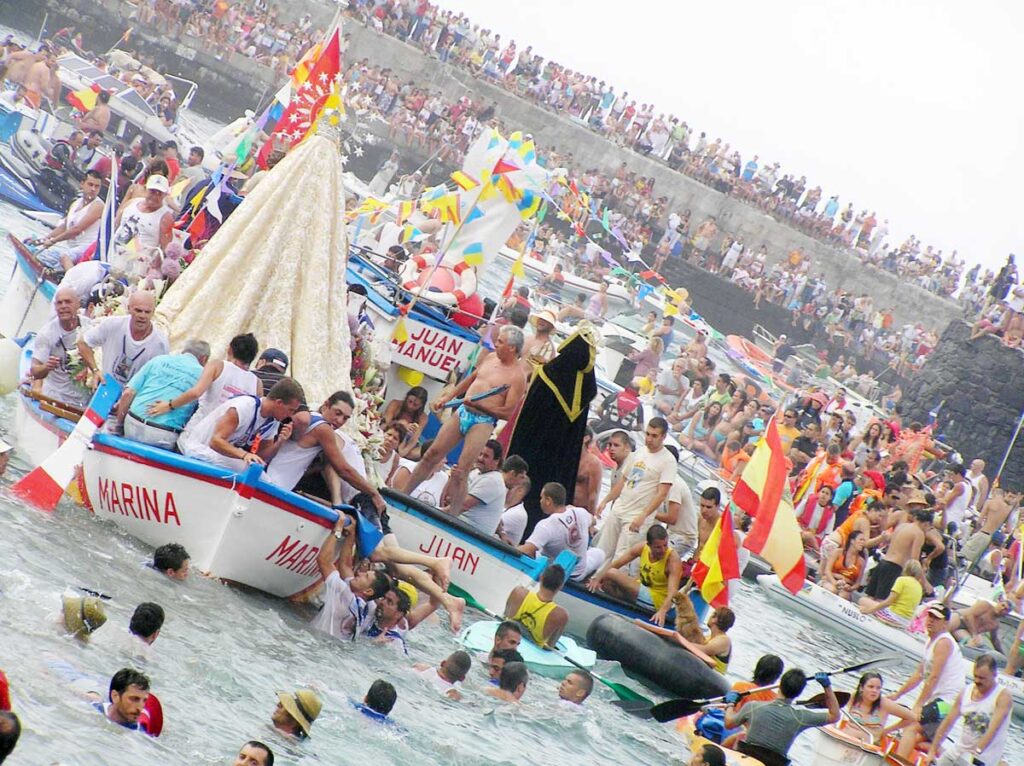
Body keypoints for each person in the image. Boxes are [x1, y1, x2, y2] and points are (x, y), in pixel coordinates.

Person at [399, 325, 527, 516]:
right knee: (431, 454)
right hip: (463, 411)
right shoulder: (491, 358)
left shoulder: (518, 377)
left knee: (461, 471)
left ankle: (453, 515)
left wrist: (481, 405)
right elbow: (470, 379)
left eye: (500, 341)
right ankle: (402, 495)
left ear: (511, 348)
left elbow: (507, 413)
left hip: (483, 420)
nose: (496, 344)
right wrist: (448, 398)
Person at [265, 391, 386, 514]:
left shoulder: (311, 418)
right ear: (326, 405)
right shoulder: (324, 429)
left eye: (345, 418)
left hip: (273, 481)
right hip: (273, 486)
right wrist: (374, 493)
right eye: (337, 413)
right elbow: (344, 470)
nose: (339, 421)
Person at [889, 603, 967, 760]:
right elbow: (919, 674)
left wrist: (918, 705)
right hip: (941, 701)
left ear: (945, 623)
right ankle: (936, 751)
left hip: (948, 703)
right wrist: (897, 695)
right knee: (914, 736)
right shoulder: (930, 641)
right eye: (930, 616)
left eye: (936, 618)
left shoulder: (944, 642)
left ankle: (897, 762)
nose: (931, 620)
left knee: (910, 726)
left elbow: (933, 677)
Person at [146, 334, 261, 440]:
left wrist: (169, 405)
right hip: (224, 443)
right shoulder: (257, 384)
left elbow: (196, 393)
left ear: (230, 349)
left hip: (196, 434)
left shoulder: (218, 366)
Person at [594, 417, 676, 560]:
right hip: (620, 507)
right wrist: (605, 501)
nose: (649, 439)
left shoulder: (668, 460)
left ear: (663, 437)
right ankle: (591, 578)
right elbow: (624, 481)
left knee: (622, 555)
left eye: (654, 436)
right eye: (648, 434)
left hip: (637, 515)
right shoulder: (639, 452)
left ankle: (608, 581)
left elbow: (662, 494)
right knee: (602, 549)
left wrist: (643, 516)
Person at [177, 378, 303, 471]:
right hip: (198, 448)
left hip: (217, 455)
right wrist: (244, 454)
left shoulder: (274, 420)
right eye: (291, 410)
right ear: (279, 403)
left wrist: (279, 442)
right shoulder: (243, 407)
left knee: (257, 470)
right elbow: (215, 442)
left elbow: (260, 456)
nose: (290, 416)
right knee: (250, 471)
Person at [724, 668, 840, 766]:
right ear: (799, 693)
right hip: (774, 763)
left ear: (780, 685)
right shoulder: (801, 718)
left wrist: (730, 704)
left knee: (738, 737)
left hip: (744, 760)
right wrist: (827, 686)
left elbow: (728, 723)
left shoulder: (753, 706)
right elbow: (835, 716)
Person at [114, 340, 211, 447]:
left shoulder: (159, 360)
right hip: (164, 433)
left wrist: (119, 425)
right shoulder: (203, 375)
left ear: (184, 351)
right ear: (204, 358)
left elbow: (128, 393)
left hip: (133, 422)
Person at [312, 515, 391, 641]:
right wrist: (351, 535)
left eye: (365, 576)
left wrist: (337, 529)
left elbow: (323, 561)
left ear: (368, 591)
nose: (359, 573)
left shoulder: (346, 594)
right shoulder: (368, 607)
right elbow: (346, 566)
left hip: (315, 641)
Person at [588, 525, 684, 626]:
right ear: (649, 545)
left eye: (665, 545)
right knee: (607, 583)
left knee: (611, 573)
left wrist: (663, 611)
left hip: (657, 600)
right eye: (658, 547)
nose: (663, 550)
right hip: (641, 588)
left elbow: (673, 592)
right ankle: (618, 612)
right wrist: (597, 579)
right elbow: (617, 563)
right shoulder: (642, 547)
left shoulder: (673, 559)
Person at [926, 654, 1012, 766]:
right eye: (975, 676)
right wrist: (932, 750)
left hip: (982, 758)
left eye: (982, 678)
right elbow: (948, 721)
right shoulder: (966, 691)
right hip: (958, 751)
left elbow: (993, 730)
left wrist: (976, 752)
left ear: (994, 674)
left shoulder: (1003, 696)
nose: (977, 681)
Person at [78, 291, 168, 387]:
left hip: (134, 397)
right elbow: (83, 343)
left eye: (147, 312)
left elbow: (158, 380)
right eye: (138, 310)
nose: (142, 316)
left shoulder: (160, 344)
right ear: (129, 308)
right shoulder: (113, 324)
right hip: (106, 389)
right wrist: (95, 370)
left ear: (153, 312)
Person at [518, 482, 603, 581]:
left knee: (535, 551)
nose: (540, 501)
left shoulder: (546, 525)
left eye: (542, 498)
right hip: (577, 574)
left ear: (548, 500)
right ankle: (587, 581)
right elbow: (594, 520)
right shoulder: (581, 512)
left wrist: (510, 548)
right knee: (599, 553)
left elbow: (528, 550)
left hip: (554, 574)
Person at [29, 169, 103, 269]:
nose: (93, 189)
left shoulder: (98, 206)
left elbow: (77, 230)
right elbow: (64, 227)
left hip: (88, 249)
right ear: (82, 184)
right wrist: (43, 240)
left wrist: (53, 241)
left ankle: (69, 282)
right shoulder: (76, 202)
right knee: (42, 257)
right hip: (74, 248)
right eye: (90, 184)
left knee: (64, 257)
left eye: (97, 186)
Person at [449, 440, 528, 534]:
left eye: (485, 456)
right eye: (480, 454)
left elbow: (462, 506)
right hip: (461, 527)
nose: (480, 458)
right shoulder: (476, 473)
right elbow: (450, 498)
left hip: (469, 535)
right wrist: (454, 478)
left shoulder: (492, 481)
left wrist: (438, 513)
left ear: (496, 461)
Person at [30, 287, 90, 408]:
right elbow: (34, 371)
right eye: (59, 303)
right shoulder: (46, 334)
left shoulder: (90, 326)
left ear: (78, 304)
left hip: (85, 401)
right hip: (55, 398)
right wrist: (46, 367)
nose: (63, 306)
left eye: (68, 302)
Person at [504, 564, 570, 648]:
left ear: (541, 577)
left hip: (507, 636)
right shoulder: (561, 615)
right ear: (561, 586)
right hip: (530, 649)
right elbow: (550, 646)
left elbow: (504, 618)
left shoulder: (518, 592)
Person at [842, 672, 915, 744]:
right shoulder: (853, 697)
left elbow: (911, 718)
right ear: (861, 687)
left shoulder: (885, 704)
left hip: (867, 745)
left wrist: (886, 731)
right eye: (870, 687)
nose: (875, 691)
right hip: (844, 738)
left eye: (878, 688)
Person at [112, 174, 174, 255]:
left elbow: (165, 249)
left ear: (165, 195)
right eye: (152, 191)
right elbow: (115, 225)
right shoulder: (132, 203)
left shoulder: (165, 217)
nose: (155, 196)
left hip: (139, 263)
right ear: (145, 189)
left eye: (159, 193)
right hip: (113, 254)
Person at [858, 560, 924, 627]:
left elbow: (888, 602)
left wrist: (870, 610)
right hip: (905, 621)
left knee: (862, 600)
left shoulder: (902, 580)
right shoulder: (919, 587)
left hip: (894, 617)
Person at [91, 668, 150, 733]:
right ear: (115, 696)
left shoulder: (140, 734)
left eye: (144, 700)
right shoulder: (90, 709)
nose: (140, 708)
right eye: (134, 699)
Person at [382, 386, 429, 457]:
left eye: (415, 405)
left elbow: (416, 437)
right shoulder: (395, 404)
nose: (410, 406)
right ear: (406, 397)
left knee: (422, 452)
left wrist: (403, 452)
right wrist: (402, 425)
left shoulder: (423, 417)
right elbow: (386, 423)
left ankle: (401, 454)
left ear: (421, 406)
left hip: (406, 443)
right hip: (390, 435)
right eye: (410, 401)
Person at [820, 529, 867, 599]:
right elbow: (827, 570)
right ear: (852, 541)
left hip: (846, 587)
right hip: (831, 580)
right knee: (833, 590)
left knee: (843, 596)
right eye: (861, 540)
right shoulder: (838, 552)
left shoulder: (862, 561)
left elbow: (857, 584)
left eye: (864, 540)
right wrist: (835, 582)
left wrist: (850, 588)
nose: (863, 542)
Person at [573, 428, 604, 512]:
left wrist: (590, 517)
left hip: (580, 509)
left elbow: (593, 495)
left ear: (586, 438)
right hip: (562, 507)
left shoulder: (593, 463)